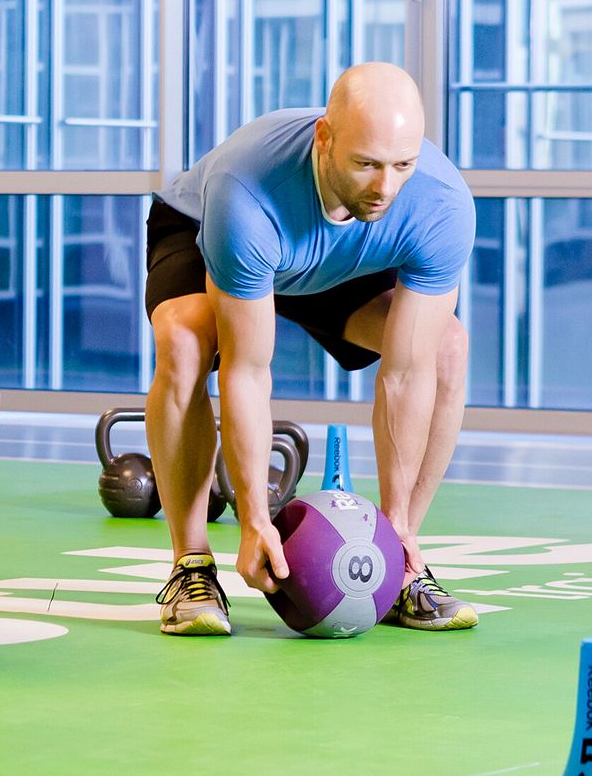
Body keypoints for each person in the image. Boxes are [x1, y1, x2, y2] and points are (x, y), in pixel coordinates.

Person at [143, 62, 477, 636]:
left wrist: (394, 528)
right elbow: (248, 373)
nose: (386, 187)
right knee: (184, 338)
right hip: (219, 236)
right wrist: (253, 518)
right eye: (367, 164)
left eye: (403, 164)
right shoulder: (246, 190)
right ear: (325, 138)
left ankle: (406, 564)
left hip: (337, 260)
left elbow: (407, 373)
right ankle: (191, 565)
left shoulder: (439, 204)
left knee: (445, 346)